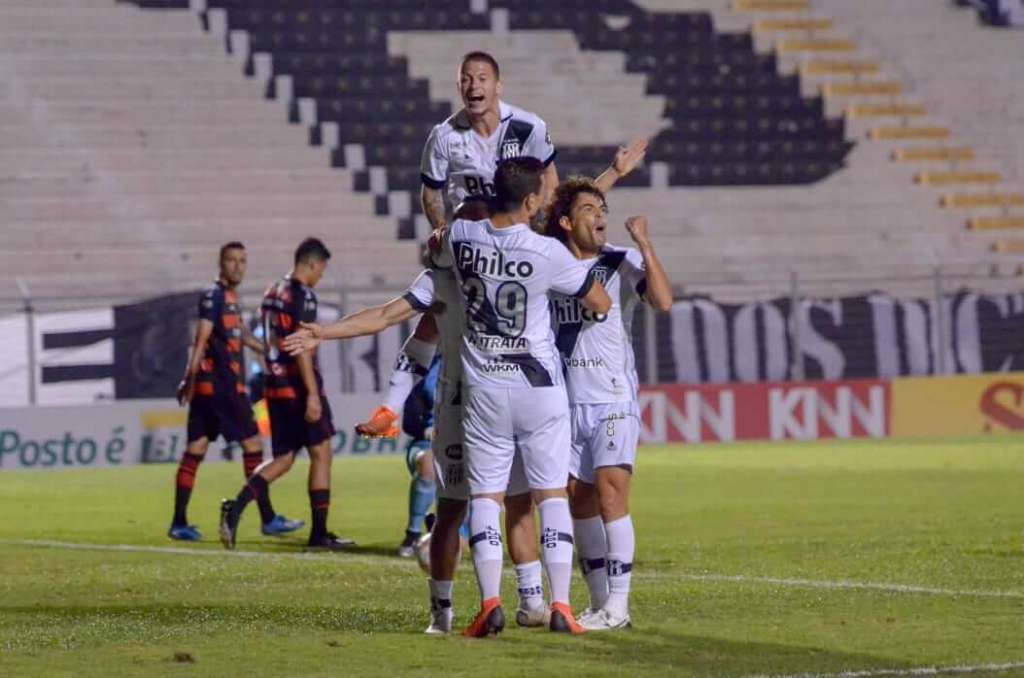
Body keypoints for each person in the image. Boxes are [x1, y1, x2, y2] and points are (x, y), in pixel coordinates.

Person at [436, 157, 612, 636]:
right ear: (533, 201)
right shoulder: (545, 253)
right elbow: (600, 302)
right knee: (551, 494)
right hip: (538, 386)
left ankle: (490, 603)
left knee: (487, 499)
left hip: (485, 389)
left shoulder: (461, 237)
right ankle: (561, 606)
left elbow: (433, 251)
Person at [546, 178, 673, 631]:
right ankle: (600, 604)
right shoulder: (549, 263)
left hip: (613, 399)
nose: (599, 215)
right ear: (565, 222)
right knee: (578, 503)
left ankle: (619, 605)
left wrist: (645, 242)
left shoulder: (622, 260)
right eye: (587, 209)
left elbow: (662, 301)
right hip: (566, 404)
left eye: (602, 208)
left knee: (611, 496)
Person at [218, 238, 353, 551]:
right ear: (311, 263)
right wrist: (313, 395)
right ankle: (319, 535)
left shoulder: (271, 291)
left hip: (273, 385)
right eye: (321, 268)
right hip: (297, 386)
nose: (320, 275)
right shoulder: (302, 295)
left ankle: (235, 508)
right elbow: (301, 345)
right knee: (321, 453)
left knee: (283, 459)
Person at [169, 241, 302, 541]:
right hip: (222, 387)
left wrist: (270, 351)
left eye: (242, 261)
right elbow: (201, 338)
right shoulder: (213, 296)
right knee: (253, 445)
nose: (238, 266)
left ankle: (178, 523)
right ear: (221, 263)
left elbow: (240, 335)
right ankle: (268, 518)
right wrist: (187, 376)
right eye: (232, 260)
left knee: (196, 450)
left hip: (210, 390)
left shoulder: (229, 297)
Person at [397, 355, 440, 558]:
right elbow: (410, 420)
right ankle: (413, 533)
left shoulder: (481, 362)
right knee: (429, 463)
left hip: (469, 442)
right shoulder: (426, 368)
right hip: (426, 443)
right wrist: (426, 429)